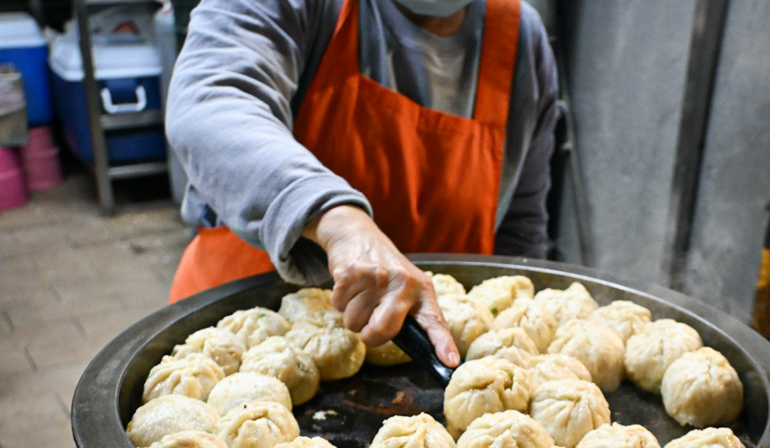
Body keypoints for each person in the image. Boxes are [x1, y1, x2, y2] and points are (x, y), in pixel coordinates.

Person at [166, 0, 558, 367]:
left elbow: (518, 240)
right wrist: (337, 221)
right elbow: (211, 101)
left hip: (435, 362)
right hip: (240, 332)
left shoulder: (520, 38)